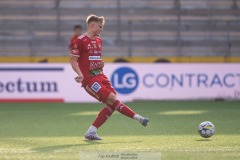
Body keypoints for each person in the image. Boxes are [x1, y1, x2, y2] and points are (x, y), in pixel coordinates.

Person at [70, 14, 149, 140]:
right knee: (112, 99)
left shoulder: (99, 41)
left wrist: (100, 63)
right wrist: (79, 74)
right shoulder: (79, 41)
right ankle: (138, 118)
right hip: (89, 80)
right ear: (92, 25)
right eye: (100, 27)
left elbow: (94, 59)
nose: (102, 29)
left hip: (101, 76)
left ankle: (91, 132)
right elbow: (73, 60)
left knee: (112, 103)